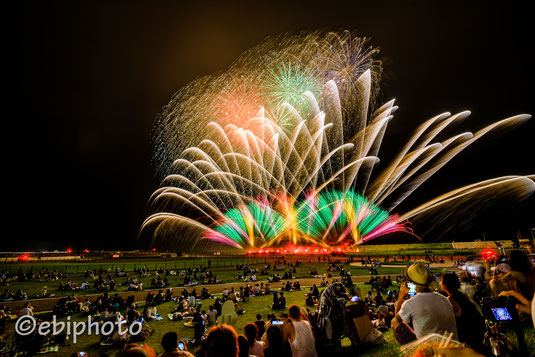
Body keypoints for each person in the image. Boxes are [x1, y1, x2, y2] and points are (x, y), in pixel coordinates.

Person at [393, 262, 457, 343]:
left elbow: (397, 318)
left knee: (394, 322)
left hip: (430, 348)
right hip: (452, 345)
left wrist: (401, 295)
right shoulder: (444, 299)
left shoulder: (410, 303)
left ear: (411, 282)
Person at [440, 273, 485, 352]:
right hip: (475, 331)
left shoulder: (451, 300)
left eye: (441, 281)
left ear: (445, 285)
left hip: (468, 335)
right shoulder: (460, 295)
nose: (440, 283)